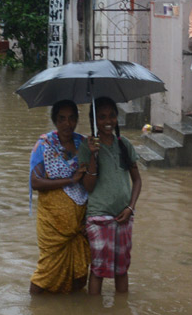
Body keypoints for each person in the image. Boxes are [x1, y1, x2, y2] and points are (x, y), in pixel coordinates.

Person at [29, 100, 90, 294]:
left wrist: (94, 156)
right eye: (62, 119)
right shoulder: (44, 145)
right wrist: (70, 180)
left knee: (79, 274)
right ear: (55, 121)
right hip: (52, 224)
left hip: (78, 222)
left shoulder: (84, 144)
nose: (67, 124)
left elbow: (92, 181)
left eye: (72, 118)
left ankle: (71, 313)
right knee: (46, 270)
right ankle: (35, 308)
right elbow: (36, 182)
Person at [82, 97, 142, 295]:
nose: (108, 121)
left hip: (124, 216)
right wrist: (93, 155)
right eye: (102, 117)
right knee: (98, 270)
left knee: (122, 270)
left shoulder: (124, 144)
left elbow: (137, 181)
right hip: (99, 216)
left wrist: (130, 207)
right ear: (94, 121)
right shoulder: (87, 146)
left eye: (112, 116)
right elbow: (88, 186)